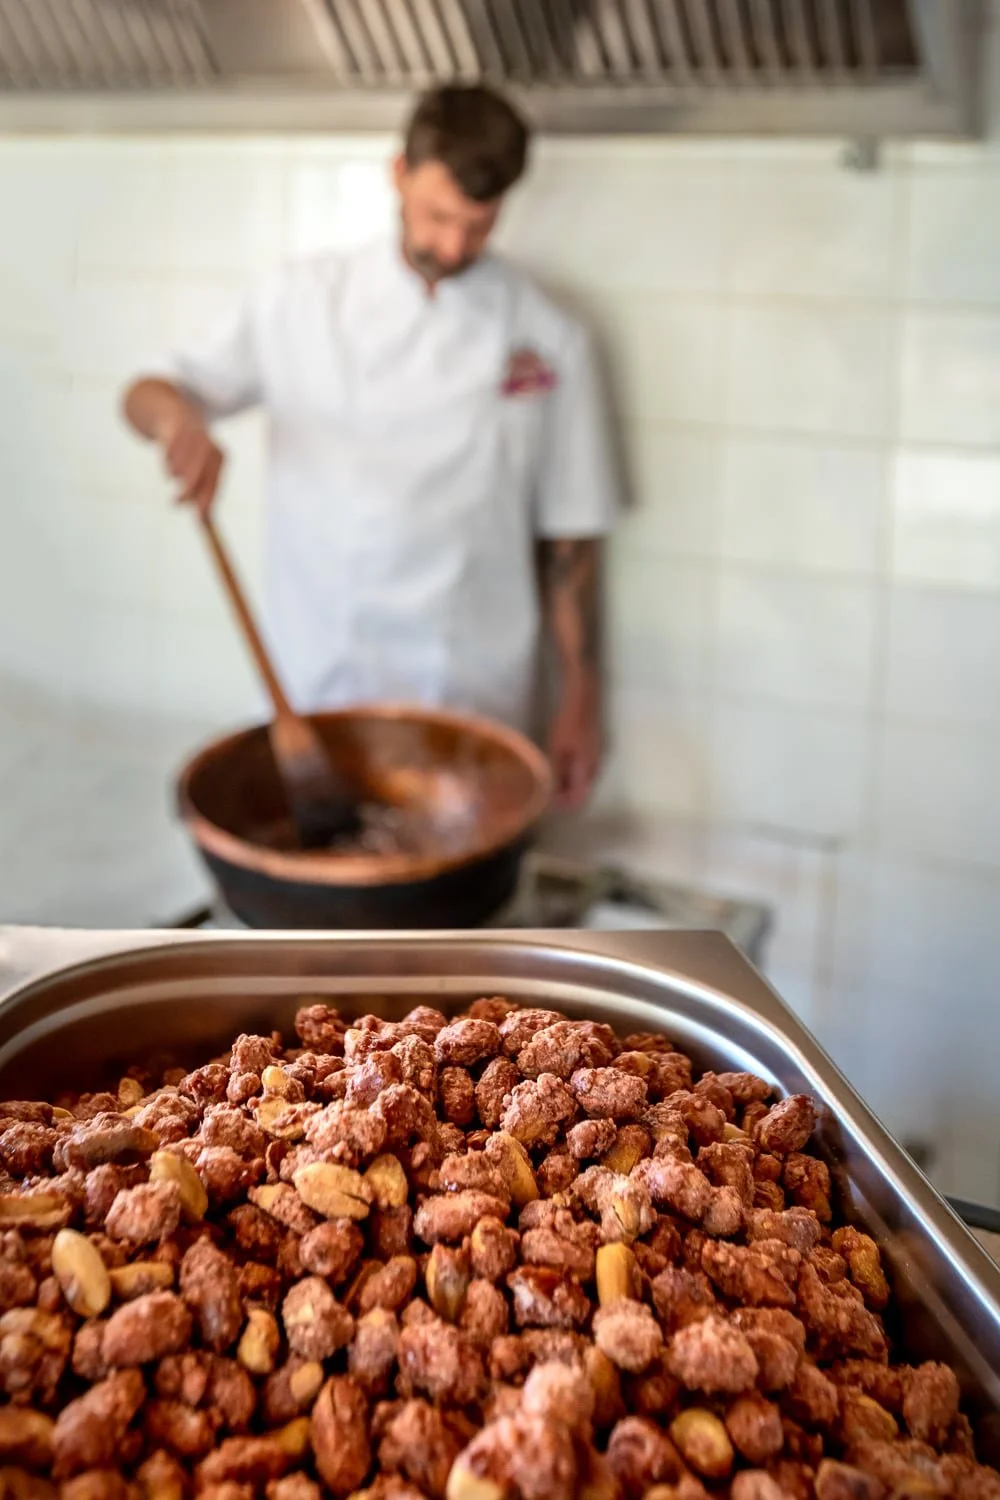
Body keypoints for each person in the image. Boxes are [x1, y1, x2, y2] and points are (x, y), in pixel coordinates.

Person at [122, 84, 620, 809]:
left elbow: (571, 535)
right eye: (438, 216)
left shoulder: (549, 336)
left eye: (479, 226)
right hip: (322, 686)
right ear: (398, 175)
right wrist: (179, 423)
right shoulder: (300, 300)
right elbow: (149, 390)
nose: (453, 246)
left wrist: (582, 695)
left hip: (474, 695)